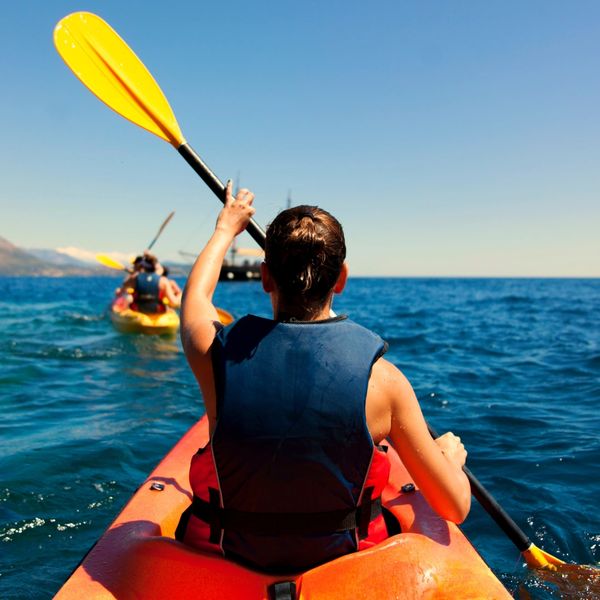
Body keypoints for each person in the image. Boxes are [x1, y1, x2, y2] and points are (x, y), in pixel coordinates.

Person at [177, 181, 470, 573]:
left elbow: (195, 298)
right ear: (341, 278)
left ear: (265, 278)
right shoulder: (384, 383)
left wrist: (225, 228)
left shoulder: (215, 356)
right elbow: (455, 506)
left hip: (229, 565)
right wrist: (449, 460)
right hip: (344, 572)